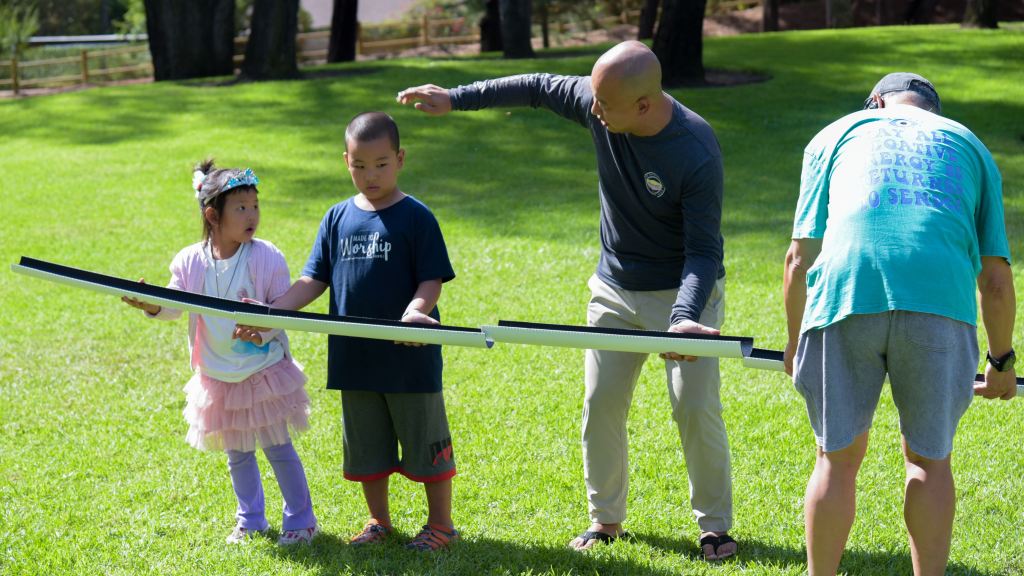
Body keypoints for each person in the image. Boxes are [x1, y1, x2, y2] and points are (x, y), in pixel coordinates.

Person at [397, 40, 736, 560]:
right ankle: (605, 520)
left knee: (695, 408)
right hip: (615, 289)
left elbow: (704, 251)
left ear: (644, 105)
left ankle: (715, 528)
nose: (593, 110)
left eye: (605, 105)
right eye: (593, 98)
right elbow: (535, 86)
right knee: (600, 405)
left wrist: (684, 317)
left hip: (682, 298)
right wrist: (457, 98)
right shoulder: (603, 101)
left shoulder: (695, 149)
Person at [783, 72, 1017, 576]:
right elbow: (996, 280)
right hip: (939, 303)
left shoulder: (835, 134)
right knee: (929, 461)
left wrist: (794, 341)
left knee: (835, 459)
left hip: (845, 298)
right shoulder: (969, 145)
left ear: (875, 102)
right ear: (933, 112)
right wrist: (1001, 361)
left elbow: (799, 259)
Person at [258, 112, 460, 552]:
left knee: (427, 444)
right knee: (367, 449)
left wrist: (416, 311)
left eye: (381, 164)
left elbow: (432, 279)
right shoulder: (336, 217)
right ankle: (378, 521)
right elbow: (313, 280)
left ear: (400, 159)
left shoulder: (416, 217)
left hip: (410, 359)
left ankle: (441, 525)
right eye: (359, 165)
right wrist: (272, 313)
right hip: (355, 360)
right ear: (345, 162)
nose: (371, 175)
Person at [122, 160, 318, 546]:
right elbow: (174, 305)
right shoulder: (190, 261)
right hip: (218, 374)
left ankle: (301, 521)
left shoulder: (266, 256)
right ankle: (251, 520)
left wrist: (261, 329)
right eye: (241, 208)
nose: (252, 215)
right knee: (238, 453)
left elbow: (282, 309)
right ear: (213, 216)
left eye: (255, 205)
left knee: (278, 448)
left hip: (262, 370)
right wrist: (151, 304)